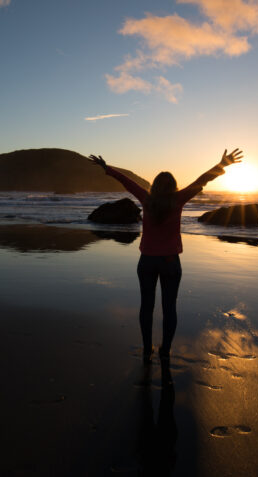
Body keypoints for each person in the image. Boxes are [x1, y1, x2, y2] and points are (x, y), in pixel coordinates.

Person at [89, 149, 243, 362]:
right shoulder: (179, 199)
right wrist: (222, 164)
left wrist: (106, 168)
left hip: (147, 262)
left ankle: (146, 348)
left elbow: (126, 182)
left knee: (146, 306)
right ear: (173, 186)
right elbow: (202, 181)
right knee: (169, 307)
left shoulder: (145, 197)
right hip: (171, 262)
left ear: (154, 185)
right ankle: (165, 349)